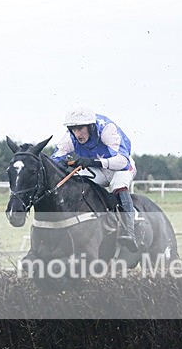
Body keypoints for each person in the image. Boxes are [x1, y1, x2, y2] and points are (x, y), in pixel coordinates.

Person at [50, 107, 139, 252]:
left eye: (80, 128)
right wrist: (61, 164)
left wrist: (94, 163)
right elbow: (54, 159)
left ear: (91, 126)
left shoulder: (106, 129)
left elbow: (123, 161)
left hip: (120, 168)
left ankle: (129, 232)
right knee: (79, 183)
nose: (77, 134)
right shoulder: (70, 137)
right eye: (73, 129)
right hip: (99, 170)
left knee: (118, 185)